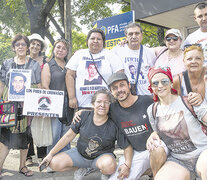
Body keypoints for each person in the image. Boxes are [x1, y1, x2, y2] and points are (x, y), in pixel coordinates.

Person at [74, 72, 168, 179]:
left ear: (129, 85)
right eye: (115, 88)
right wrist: (83, 112)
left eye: (122, 85)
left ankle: (156, 175)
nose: (119, 90)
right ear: (111, 92)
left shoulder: (147, 101)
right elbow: (99, 110)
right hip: (136, 153)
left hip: (157, 146)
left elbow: (167, 110)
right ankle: (148, 170)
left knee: (157, 148)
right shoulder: (113, 109)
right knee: (119, 177)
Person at [39, 89, 133, 180]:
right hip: (80, 154)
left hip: (101, 158)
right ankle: (81, 168)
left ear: (110, 105)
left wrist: (127, 164)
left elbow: (127, 147)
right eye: (99, 102)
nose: (102, 105)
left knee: (110, 165)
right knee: (53, 163)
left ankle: (105, 173)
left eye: (106, 102)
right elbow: (68, 136)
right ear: (93, 104)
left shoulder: (114, 124)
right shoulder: (83, 116)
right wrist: (50, 154)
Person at [146, 66, 207, 180]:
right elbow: (157, 131)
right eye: (155, 83)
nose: (160, 86)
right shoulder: (152, 110)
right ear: (151, 87)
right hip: (178, 160)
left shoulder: (189, 100)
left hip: (202, 153)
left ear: (171, 83)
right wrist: (153, 134)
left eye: (164, 81)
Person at [0, 34, 41, 178]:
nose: (21, 47)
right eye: (18, 44)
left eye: (24, 44)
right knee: (4, 136)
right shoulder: (6, 63)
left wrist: (38, 106)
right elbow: (2, 84)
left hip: (27, 106)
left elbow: (38, 85)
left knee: (26, 136)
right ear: (13, 47)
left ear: (27, 47)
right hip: (8, 106)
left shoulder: (34, 65)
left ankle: (22, 166)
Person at [66, 28, 124, 109]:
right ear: (87, 41)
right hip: (83, 105)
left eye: (99, 39)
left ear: (103, 42)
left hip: (106, 106)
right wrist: (72, 97)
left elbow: (120, 76)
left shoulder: (111, 55)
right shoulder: (79, 54)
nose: (95, 41)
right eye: (92, 38)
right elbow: (69, 75)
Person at [41, 39, 73, 161]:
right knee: (55, 134)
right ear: (54, 49)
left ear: (66, 52)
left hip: (68, 103)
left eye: (63, 48)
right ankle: (51, 161)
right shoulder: (49, 65)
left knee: (66, 134)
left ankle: (65, 161)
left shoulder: (70, 65)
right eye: (58, 47)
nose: (60, 50)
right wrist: (50, 105)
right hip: (54, 103)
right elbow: (45, 86)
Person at [112, 22, 156, 95]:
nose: (134, 36)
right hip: (127, 96)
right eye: (130, 34)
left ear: (141, 35)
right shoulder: (118, 50)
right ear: (126, 36)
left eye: (137, 33)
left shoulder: (149, 52)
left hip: (146, 95)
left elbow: (153, 74)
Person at [26, 33, 48, 166]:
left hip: (40, 97)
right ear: (29, 45)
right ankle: (28, 156)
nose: (35, 46)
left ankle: (42, 155)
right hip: (25, 98)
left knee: (41, 126)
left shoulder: (45, 60)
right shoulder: (23, 59)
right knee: (28, 127)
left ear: (40, 47)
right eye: (33, 43)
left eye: (38, 44)